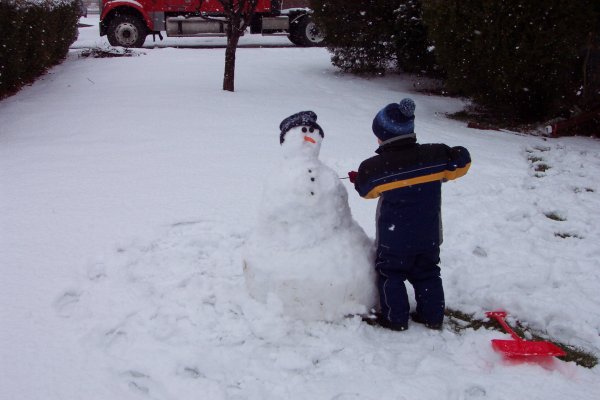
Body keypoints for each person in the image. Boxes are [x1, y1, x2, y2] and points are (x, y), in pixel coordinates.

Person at [348, 98, 471, 331]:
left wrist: (360, 178)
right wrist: (448, 160)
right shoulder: (435, 155)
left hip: (394, 239)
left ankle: (395, 318)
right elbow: (462, 161)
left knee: (390, 275)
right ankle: (432, 316)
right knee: (428, 273)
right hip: (429, 235)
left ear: (383, 136)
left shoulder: (376, 167)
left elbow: (366, 191)